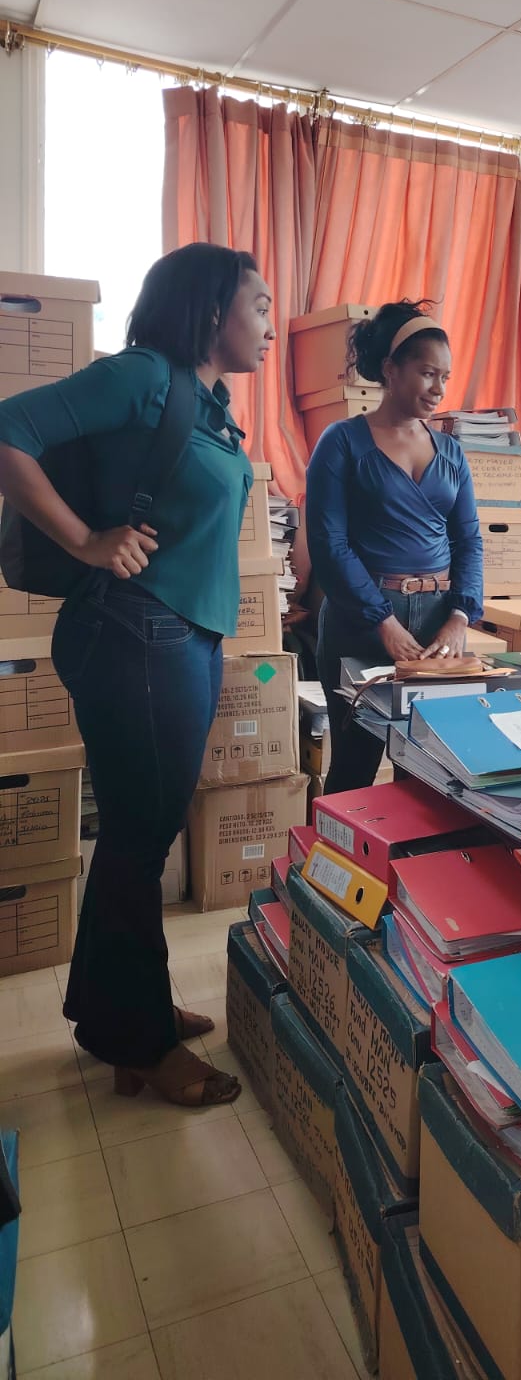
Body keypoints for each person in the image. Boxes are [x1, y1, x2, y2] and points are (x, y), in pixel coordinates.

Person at [0, 244, 274, 1105]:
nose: (270, 325)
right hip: (135, 634)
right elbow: (9, 430)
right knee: (139, 839)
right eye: (259, 305)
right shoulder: (145, 376)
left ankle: (111, 1007)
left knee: (135, 834)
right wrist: (86, 540)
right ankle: (141, 1044)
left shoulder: (209, 404)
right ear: (210, 310)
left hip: (178, 638)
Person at [306, 301, 484, 794]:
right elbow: (328, 544)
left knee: (428, 771)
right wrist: (381, 621)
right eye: (427, 373)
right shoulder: (342, 442)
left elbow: (469, 539)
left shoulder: (451, 452)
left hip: (437, 622)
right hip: (360, 621)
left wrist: (460, 617)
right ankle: (337, 847)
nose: (439, 389)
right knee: (355, 767)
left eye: (445, 377)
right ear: (390, 369)